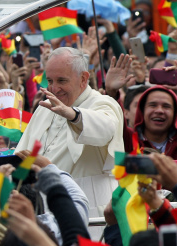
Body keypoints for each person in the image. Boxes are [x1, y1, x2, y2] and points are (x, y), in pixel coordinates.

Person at [15, 47, 124, 222]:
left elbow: (105, 129)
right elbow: (24, 156)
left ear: (83, 79)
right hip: (45, 209)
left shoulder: (102, 103)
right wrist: (2, 159)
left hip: (91, 210)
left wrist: (73, 115)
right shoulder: (45, 107)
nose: (54, 88)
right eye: (50, 80)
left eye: (62, 80)